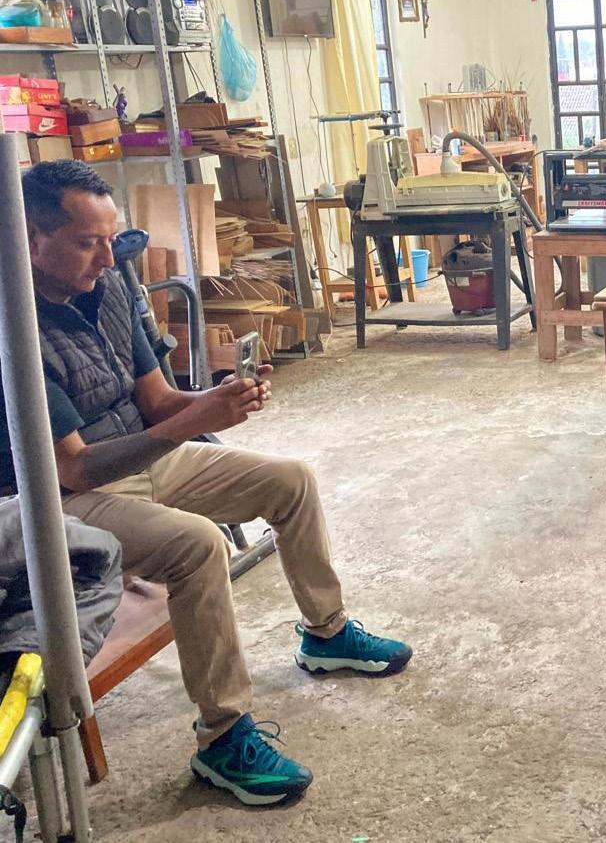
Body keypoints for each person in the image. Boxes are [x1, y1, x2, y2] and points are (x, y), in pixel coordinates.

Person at [5, 161, 413, 807]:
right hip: (63, 499)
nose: (107, 258)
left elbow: (158, 400)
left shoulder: (108, 288)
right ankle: (222, 737)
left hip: (139, 460)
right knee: (197, 544)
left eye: (110, 239)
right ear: (32, 239)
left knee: (290, 479)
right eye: (88, 243)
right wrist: (193, 422)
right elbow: (74, 467)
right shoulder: (13, 326)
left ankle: (326, 633)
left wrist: (217, 399)